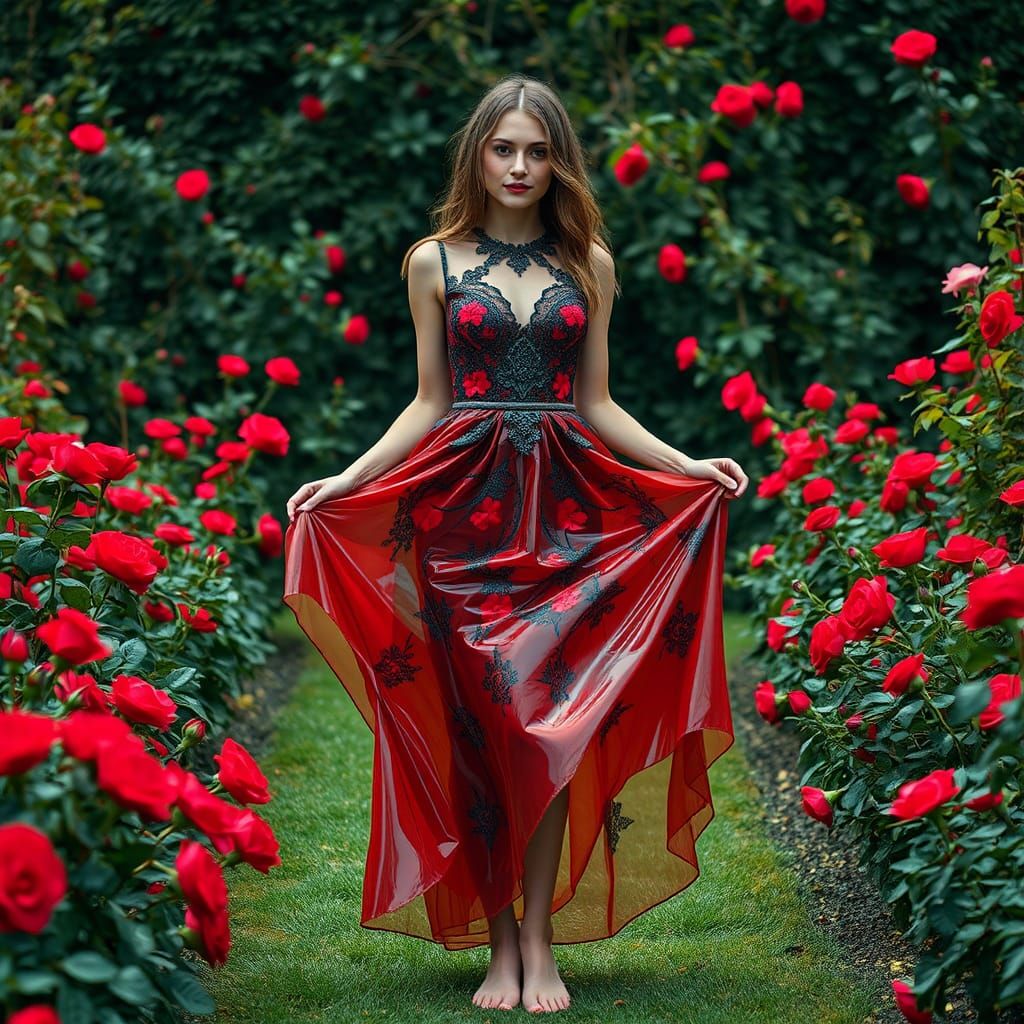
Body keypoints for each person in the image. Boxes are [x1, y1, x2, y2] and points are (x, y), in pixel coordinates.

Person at [283, 73, 748, 1015]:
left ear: (559, 161)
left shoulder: (591, 265)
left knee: (549, 729)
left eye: (538, 151)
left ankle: (539, 940)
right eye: (505, 149)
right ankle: (501, 944)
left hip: (569, 516)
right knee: (485, 733)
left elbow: (597, 402)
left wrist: (686, 462)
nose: (521, 166)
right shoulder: (432, 262)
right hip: (463, 517)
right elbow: (429, 400)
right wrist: (346, 482)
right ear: (479, 155)